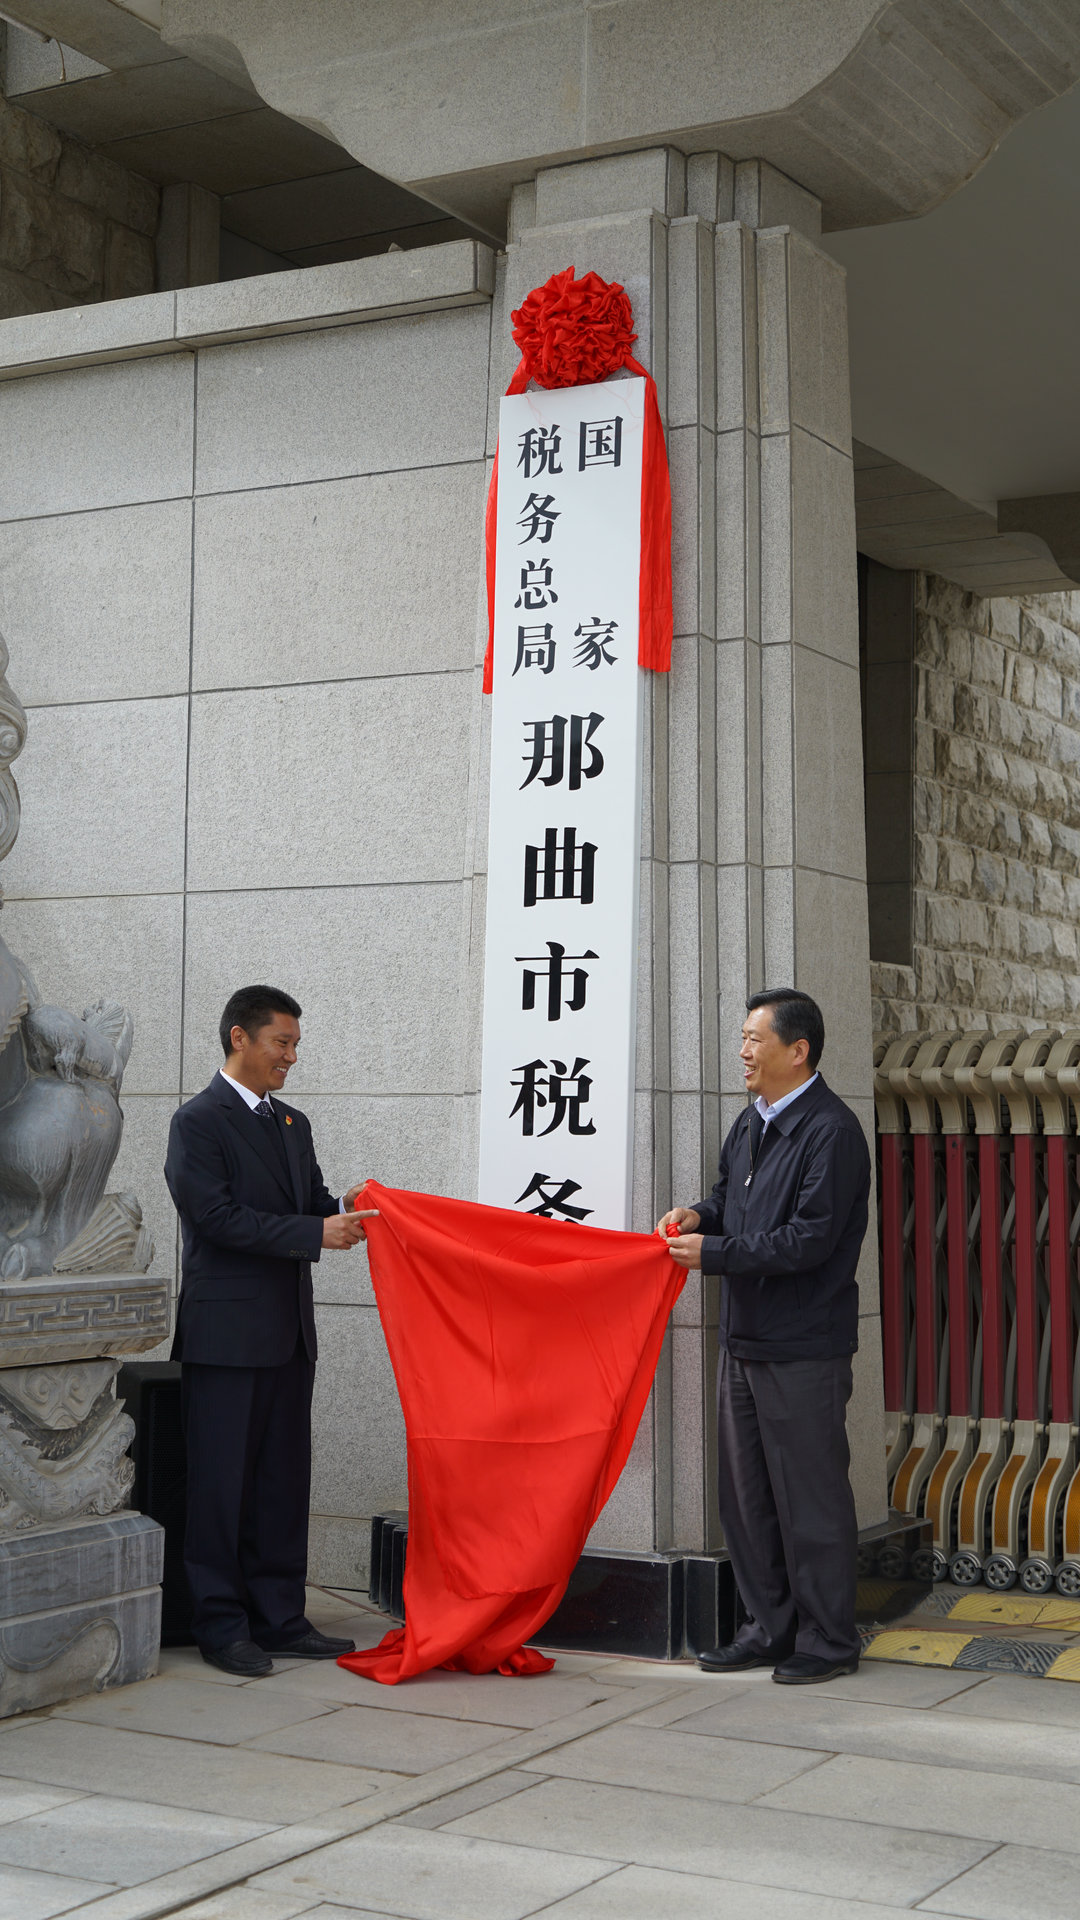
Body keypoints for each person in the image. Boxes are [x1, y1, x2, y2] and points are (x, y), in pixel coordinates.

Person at [657, 987, 870, 1685]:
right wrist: (700, 1216)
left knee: (809, 1499)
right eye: (744, 1038)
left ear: (797, 1050)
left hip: (804, 1345)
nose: (743, 1051)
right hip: (745, 1341)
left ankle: (829, 1641)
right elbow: (733, 1199)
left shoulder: (831, 1133)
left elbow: (808, 1240)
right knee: (747, 1499)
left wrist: (716, 1255)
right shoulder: (752, 1123)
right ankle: (768, 1629)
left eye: (755, 1039)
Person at [165, 984, 377, 1677]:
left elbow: (308, 1206)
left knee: (282, 1483)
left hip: (288, 1335)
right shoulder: (197, 1123)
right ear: (239, 1039)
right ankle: (221, 1625)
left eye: (294, 1045)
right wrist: (316, 1230)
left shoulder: (292, 1125)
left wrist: (347, 1205)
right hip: (225, 1341)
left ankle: (280, 1618)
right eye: (281, 1043)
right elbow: (217, 1220)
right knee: (221, 1489)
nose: (291, 1057)